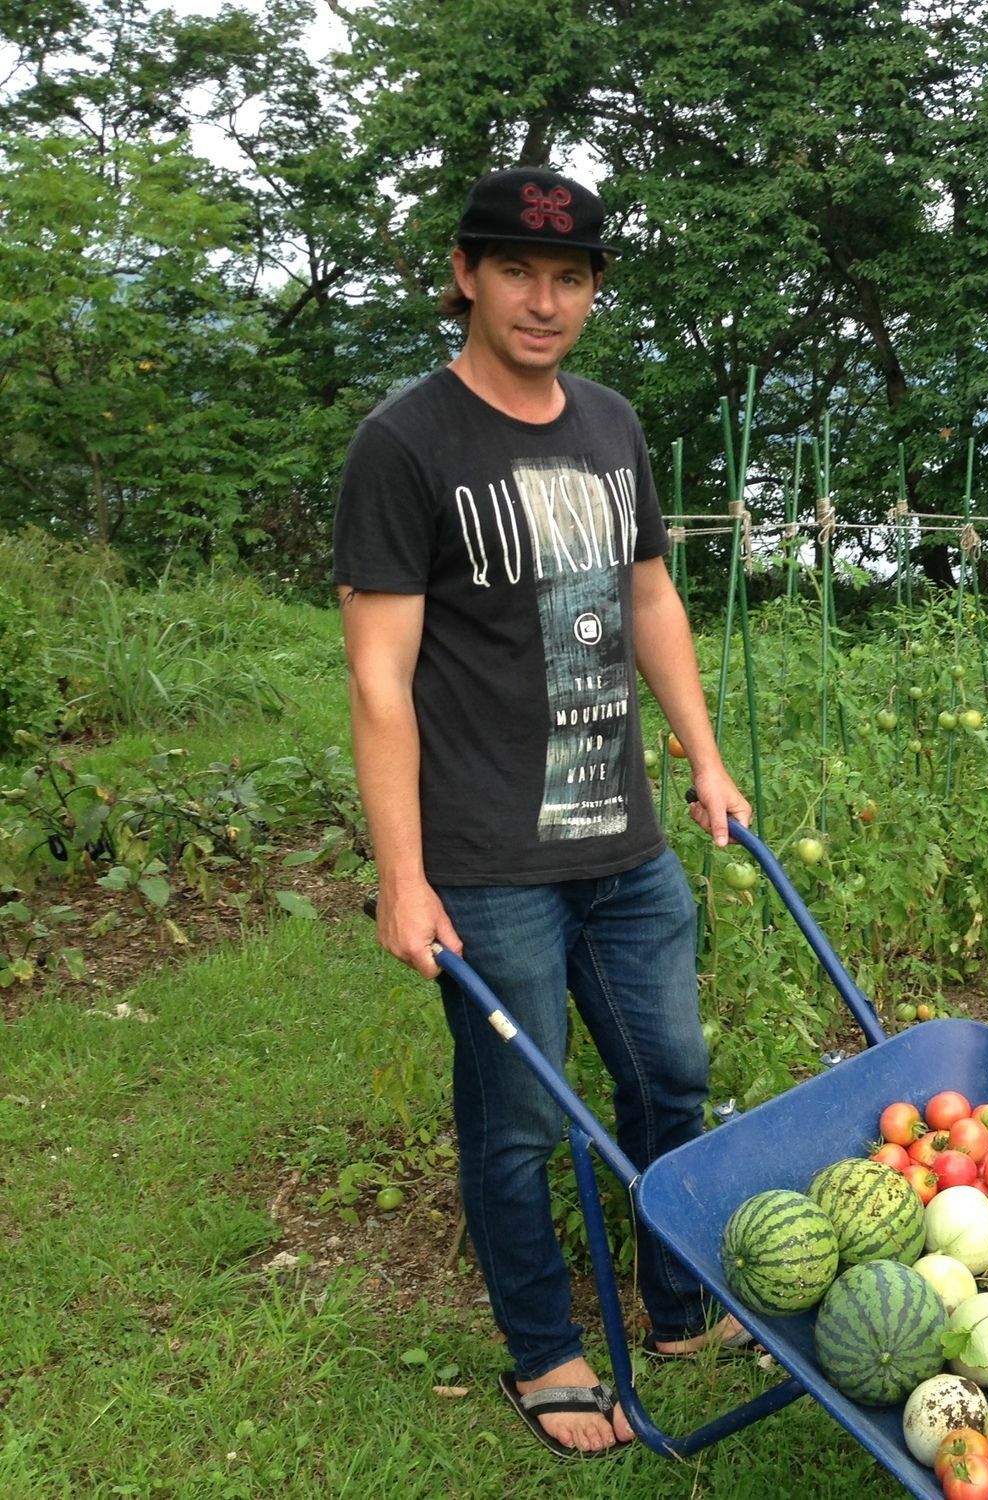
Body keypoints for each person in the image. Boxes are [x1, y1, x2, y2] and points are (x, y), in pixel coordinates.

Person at [332, 166, 752, 1460]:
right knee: (517, 1114)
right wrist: (404, 877)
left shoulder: (613, 426)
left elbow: (650, 603)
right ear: (465, 273)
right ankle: (545, 1350)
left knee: (671, 1076)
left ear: (593, 291)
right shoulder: (406, 446)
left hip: (620, 839)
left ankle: (678, 1306)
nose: (543, 298)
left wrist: (705, 756)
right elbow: (378, 677)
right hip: (486, 857)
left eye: (569, 277)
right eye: (516, 269)